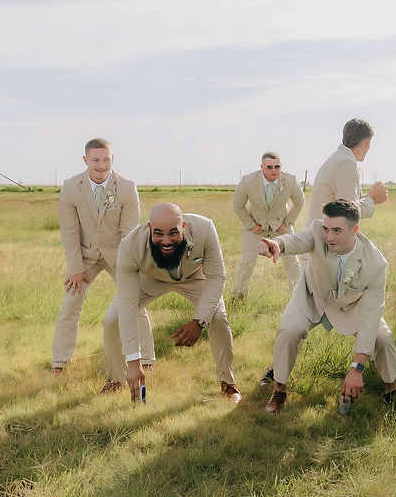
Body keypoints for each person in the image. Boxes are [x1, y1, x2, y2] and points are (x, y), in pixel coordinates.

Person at [257, 199, 396, 413]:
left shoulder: (376, 263)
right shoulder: (317, 232)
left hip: (350, 306)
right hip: (311, 296)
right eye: (326, 229)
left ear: (355, 230)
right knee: (288, 330)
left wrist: (357, 368)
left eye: (336, 231)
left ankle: (391, 389)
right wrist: (276, 244)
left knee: (382, 337)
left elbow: (371, 316)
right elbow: (295, 240)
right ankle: (279, 388)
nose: (329, 236)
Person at [101, 202, 241, 403]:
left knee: (217, 316)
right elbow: (127, 304)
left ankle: (228, 384)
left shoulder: (205, 228)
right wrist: (134, 361)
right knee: (112, 320)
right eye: (158, 234)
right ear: (149, 229)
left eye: (173, 233)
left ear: (183, 226)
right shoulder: (130, 245)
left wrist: (199, 321)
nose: (165, 241)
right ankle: (116, 380)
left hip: (193, 277)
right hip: (150, 279)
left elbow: (218, 277)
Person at [50, 138, 154, 373]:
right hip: (85, 257)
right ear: (85, 160)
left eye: (106, 159)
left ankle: (146, 359)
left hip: (120, 255)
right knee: (70, 305)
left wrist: (130, 268)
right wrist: (75, 268)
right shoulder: (70, 187)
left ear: (112, 159)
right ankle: (60, 362)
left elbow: (130, 233)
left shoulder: (127, 187)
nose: (101, 165)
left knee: (135, 304)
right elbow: (69, 230)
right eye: (96, 160)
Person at [230, 152, 304, 301]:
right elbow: (237, 205)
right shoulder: (248, 181)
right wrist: (251, 225)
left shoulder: (290, 180)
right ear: (262, 167)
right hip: (255, 226)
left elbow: (299, 202)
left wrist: (287, 223)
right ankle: (237, 299)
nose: (273, 170)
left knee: (293, 262)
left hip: (280, 227)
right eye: (269, 167)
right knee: (247, 261)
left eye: (277, 166)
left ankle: (299, 300)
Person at [304, 118, 387, 226]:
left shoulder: (340, 157)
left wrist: (369, 196)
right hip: (325, 238)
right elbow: (348, 212)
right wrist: (373, 199)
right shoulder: (345, 163)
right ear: (367, 143)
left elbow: (346, 202)